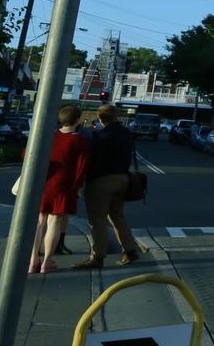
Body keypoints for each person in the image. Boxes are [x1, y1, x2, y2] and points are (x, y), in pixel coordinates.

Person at [74, 105, 143, 269]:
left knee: (98, 220)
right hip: (123, 179)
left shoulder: (100, 136)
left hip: (102, 181)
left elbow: (93, 161)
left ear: (100, 118)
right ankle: (130, 250)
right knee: (118, 216)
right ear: (116, 117)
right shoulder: (127, 133)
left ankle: (97, 256)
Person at [28, 105, 88, 274]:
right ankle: (47, 262)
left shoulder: (48, 135)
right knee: (54, 222)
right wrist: (77, 188)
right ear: (77, 120)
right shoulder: (79, 140)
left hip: (43, 182)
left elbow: (28, 154)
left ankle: (33, 260)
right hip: (64, 184)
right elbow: (81, 168)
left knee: (39, 222)